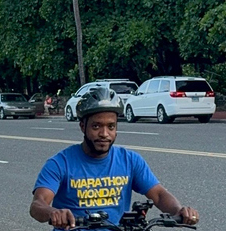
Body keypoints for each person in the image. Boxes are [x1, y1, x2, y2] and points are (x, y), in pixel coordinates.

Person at [30, 87, 199, 230]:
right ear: (83, 126)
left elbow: (159, 195)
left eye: (110, 126)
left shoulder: (130, 160)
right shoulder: (60, 163)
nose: (104, 134)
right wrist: (53, 213)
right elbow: (38, 204)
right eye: (96, 126)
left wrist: (179, 211)